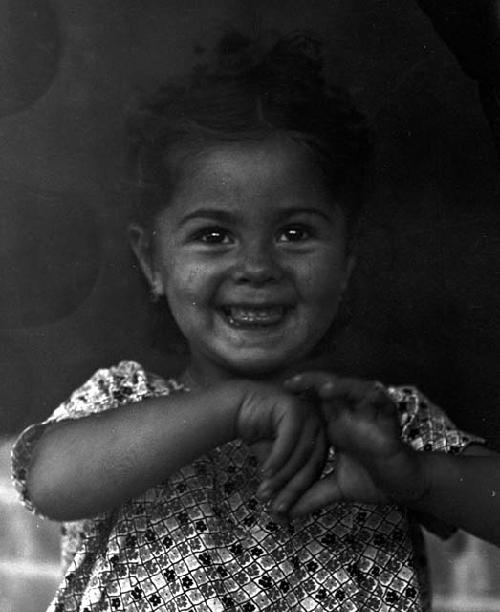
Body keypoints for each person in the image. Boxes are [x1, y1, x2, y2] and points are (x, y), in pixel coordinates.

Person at [11, 28, 500, 612]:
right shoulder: (126, 400)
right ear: (152, 260)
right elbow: (48, 480)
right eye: (213, 236)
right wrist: (233, 407)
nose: (257, 267)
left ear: (346, 261)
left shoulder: (377, 424)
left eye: (294, 233)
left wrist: (416, 474)